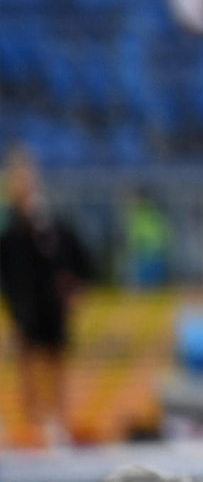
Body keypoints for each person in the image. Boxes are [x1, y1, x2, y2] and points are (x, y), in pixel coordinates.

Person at [0, 148, 95, 448]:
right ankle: (31, 432)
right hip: (24, 314)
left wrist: (74, 289)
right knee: (28, 375)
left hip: (52, 314)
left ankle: (58, 429)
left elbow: (79, 263)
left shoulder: (52, 225)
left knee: (55, 371)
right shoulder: (9, 230)